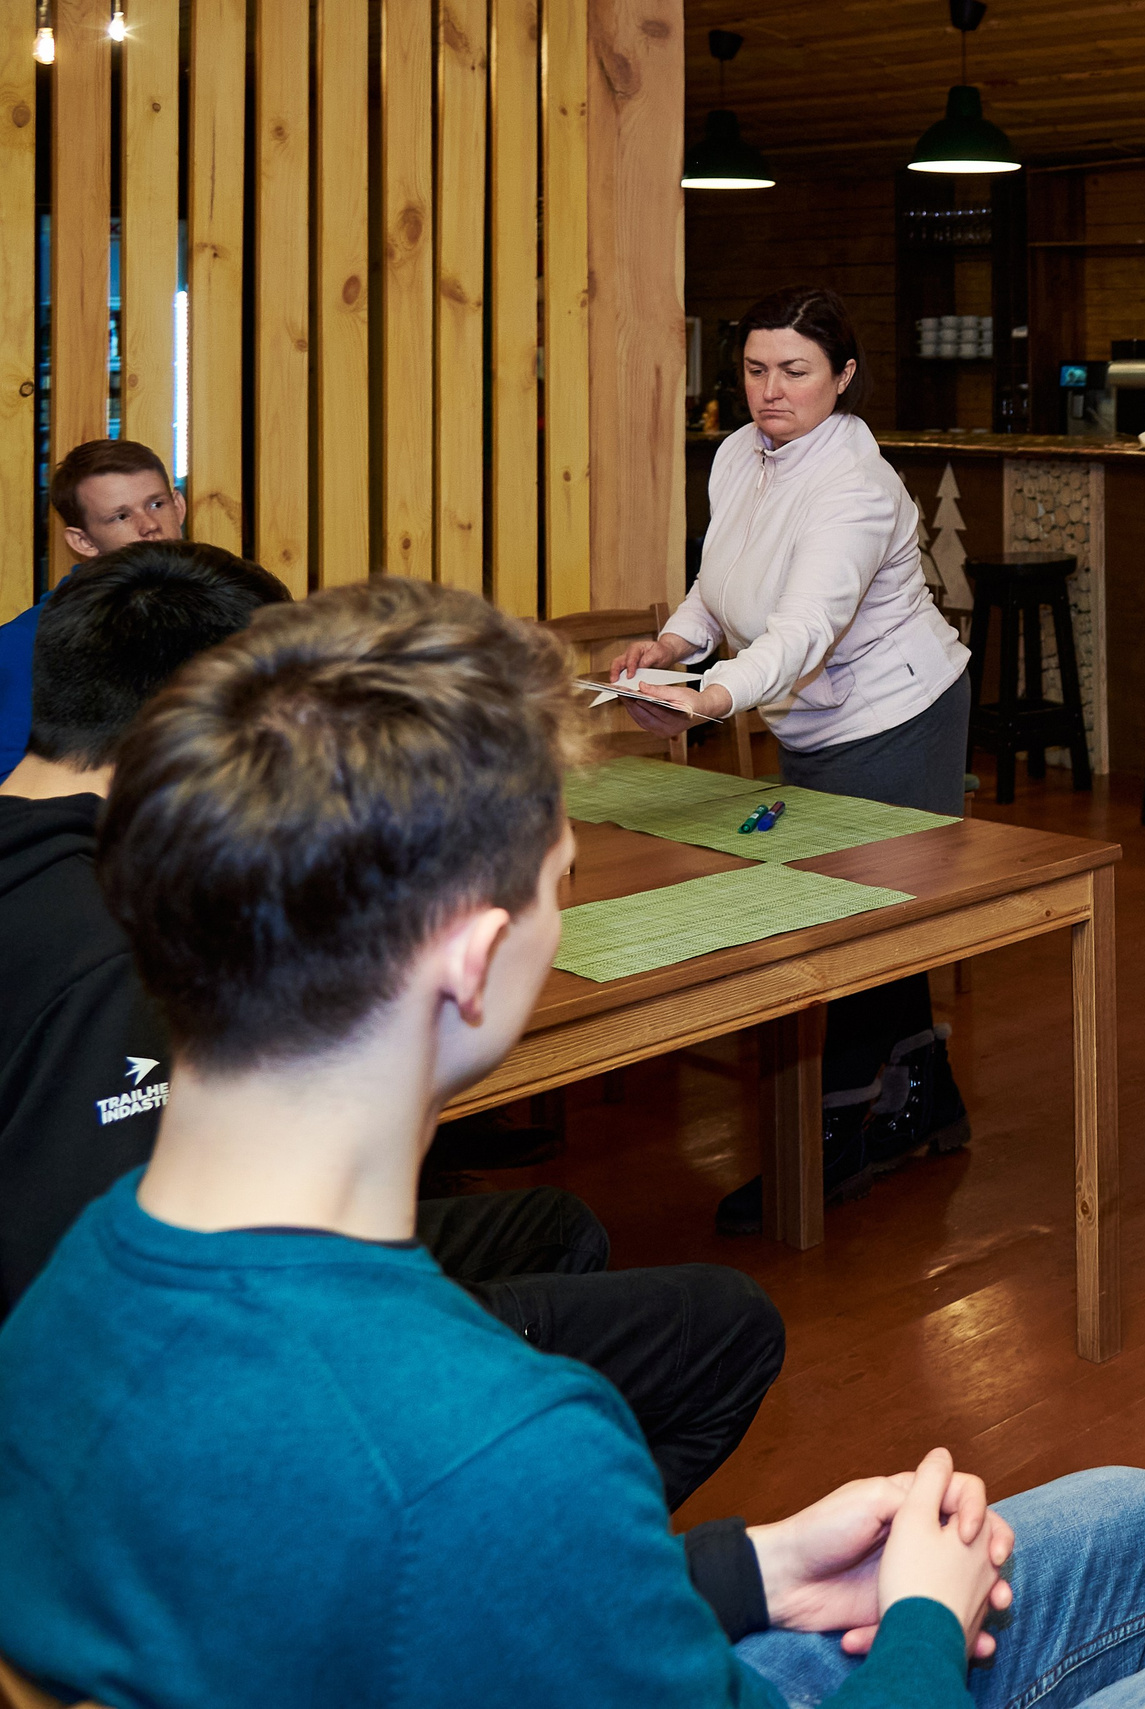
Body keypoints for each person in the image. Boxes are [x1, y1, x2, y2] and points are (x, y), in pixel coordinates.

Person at [0, 575, 1145, 1709]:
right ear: (472, 954)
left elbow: (428, 1611)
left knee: (1137, 1516)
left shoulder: (68, 1297)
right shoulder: (503, 1446)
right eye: (559, 880)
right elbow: (474, 1537)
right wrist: (916, 1622)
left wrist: (750, 1567)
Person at [0, 543, 782, 1508]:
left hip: (207, 1301)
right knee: (730, 1324)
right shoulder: (117, 946)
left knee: (561, 1224)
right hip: (209, 1379)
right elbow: (119, 1336)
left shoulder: (89, 870)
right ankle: (513, 1567)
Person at [604, 285, 975, 1237]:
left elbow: (807, 627)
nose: (772, 392)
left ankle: (832, 1140)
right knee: (865, 910)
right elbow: (719, 584)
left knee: (851, 922)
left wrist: (716, 697)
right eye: (756, 370)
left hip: (897, 714)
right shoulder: (737, 454)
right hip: (814, 718)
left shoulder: (856, 484)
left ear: (844, 378)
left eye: (796, 372)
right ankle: (927, 1102)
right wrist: (671, 648)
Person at [0, 439, 189, 776]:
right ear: (83, 541)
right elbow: (10, 786)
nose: (149, 526)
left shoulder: (230, 613)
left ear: (179, 506)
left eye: (157, 504)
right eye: (120, 516)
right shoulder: (25, 642)